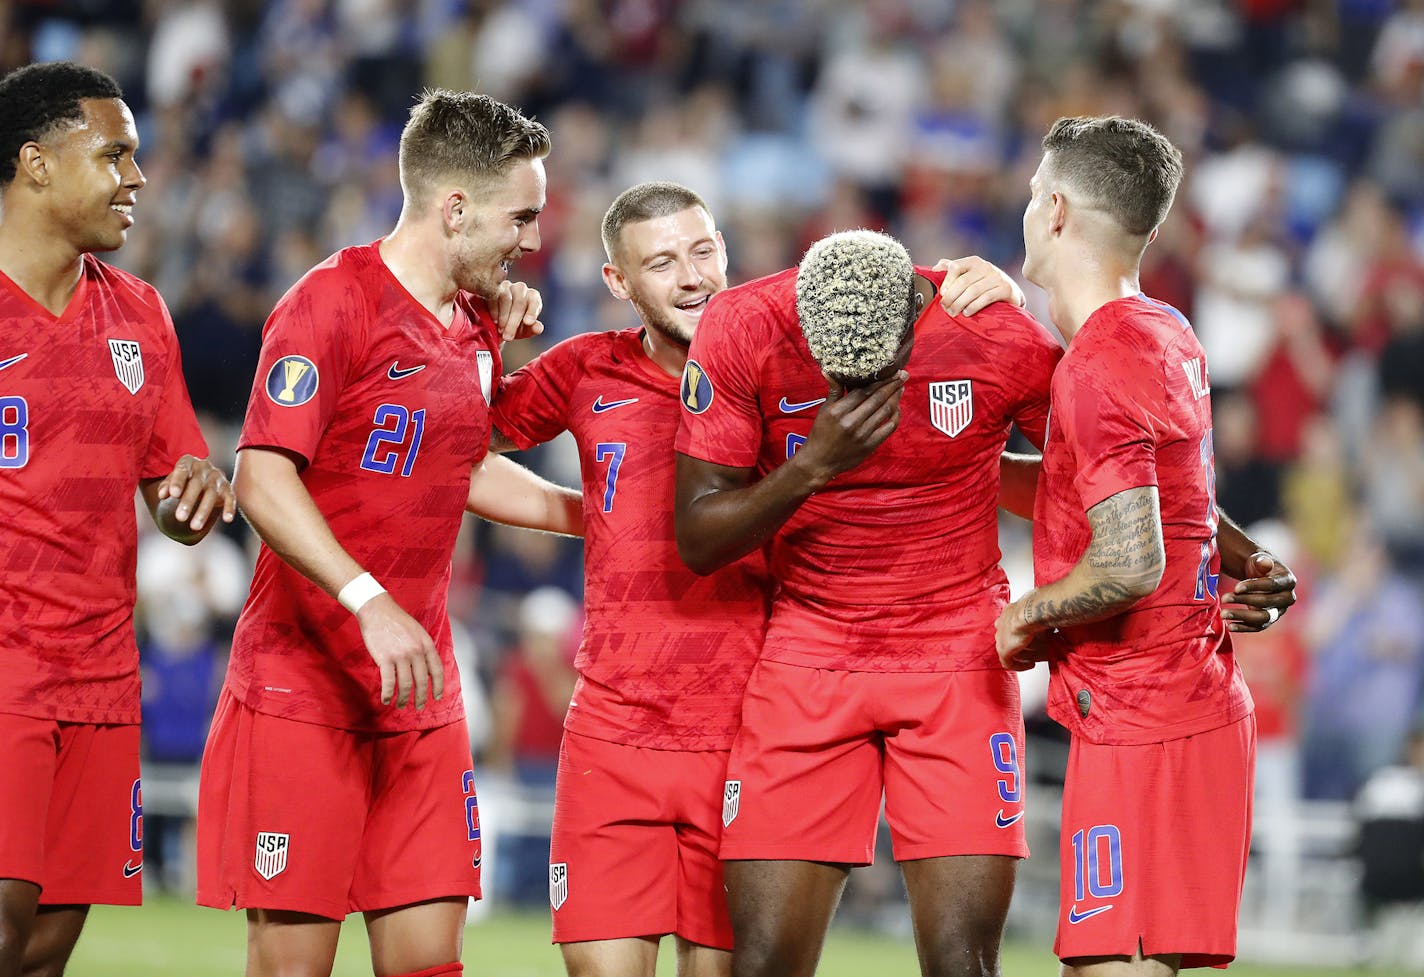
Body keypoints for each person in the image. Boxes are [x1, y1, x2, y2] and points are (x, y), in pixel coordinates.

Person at [491, 183, 1026, 977]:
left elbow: (875, 289)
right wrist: (581, 507)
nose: (691, 276)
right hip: (613, 724)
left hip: (743, 723)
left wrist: (965, 281)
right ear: (618, 282)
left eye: (703, 251)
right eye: (662, 262)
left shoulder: (785, 338)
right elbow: (451, 439)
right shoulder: (584, 369)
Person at [194, 89, 580, 977]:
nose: (531, 238)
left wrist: (594, 518)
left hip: (420, 692)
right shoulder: (330, 301)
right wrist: (367, 599)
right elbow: (261, 472)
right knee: (295, 967)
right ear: (455, 209)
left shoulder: (476, 321)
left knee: (428, 965)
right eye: (521, 215)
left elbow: (469, 464)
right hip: (306, 687)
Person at [674, 227, 1064, 977]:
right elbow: (698, 538)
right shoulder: (744, 324)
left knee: (961, 963)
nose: (851, 393)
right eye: (834, 376)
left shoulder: (995, 331)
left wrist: (1067, 602)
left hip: (956, 656)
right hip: (807, 653)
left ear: (915, 319)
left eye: (875, 373)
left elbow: (1103, 474)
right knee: (760, 967)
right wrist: (813, 465)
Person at [995, 115, 1298, 977]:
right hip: (1193, 701)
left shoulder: (1095, 367)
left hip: (1143, 720)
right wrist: (1256, 564)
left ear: (1054, 210)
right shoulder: (1164, 329)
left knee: (1110, 969)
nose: (1023, 210)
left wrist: (1025, 615)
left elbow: (1132, 560)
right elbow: (1176, 503)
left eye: (1028, 195)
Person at [0, 61, 235, 977]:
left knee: (44, 954)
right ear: (37, 163)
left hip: (101, 674)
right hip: (7, 664)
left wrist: (193, 497)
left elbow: (169, 502)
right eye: (116, 155)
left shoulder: (140, 315)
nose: (138, 179)